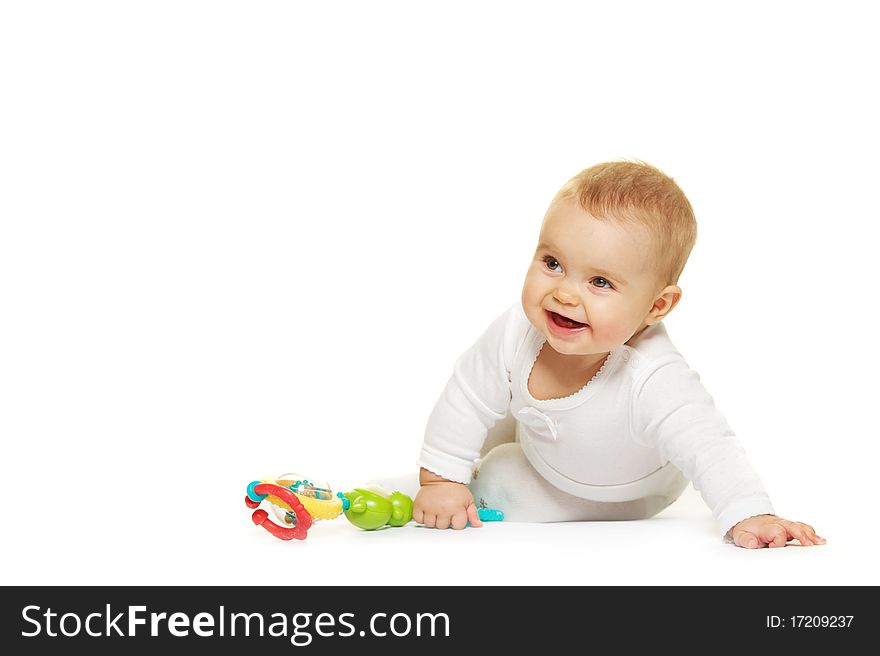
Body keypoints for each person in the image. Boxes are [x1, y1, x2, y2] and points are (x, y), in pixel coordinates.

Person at [413, 160, 825, 548]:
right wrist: (439, 478)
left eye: (600, 282)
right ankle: (447, 479)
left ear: (656, 307)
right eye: (553, 262)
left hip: (618, 490)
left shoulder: (654, 376)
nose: (564, 293)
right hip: (549, 438)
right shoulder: (515, 329)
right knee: (486, 413)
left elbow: (709, 444)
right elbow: (466, 394)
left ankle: (473, 488)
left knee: (502, 472)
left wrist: (749, 513)